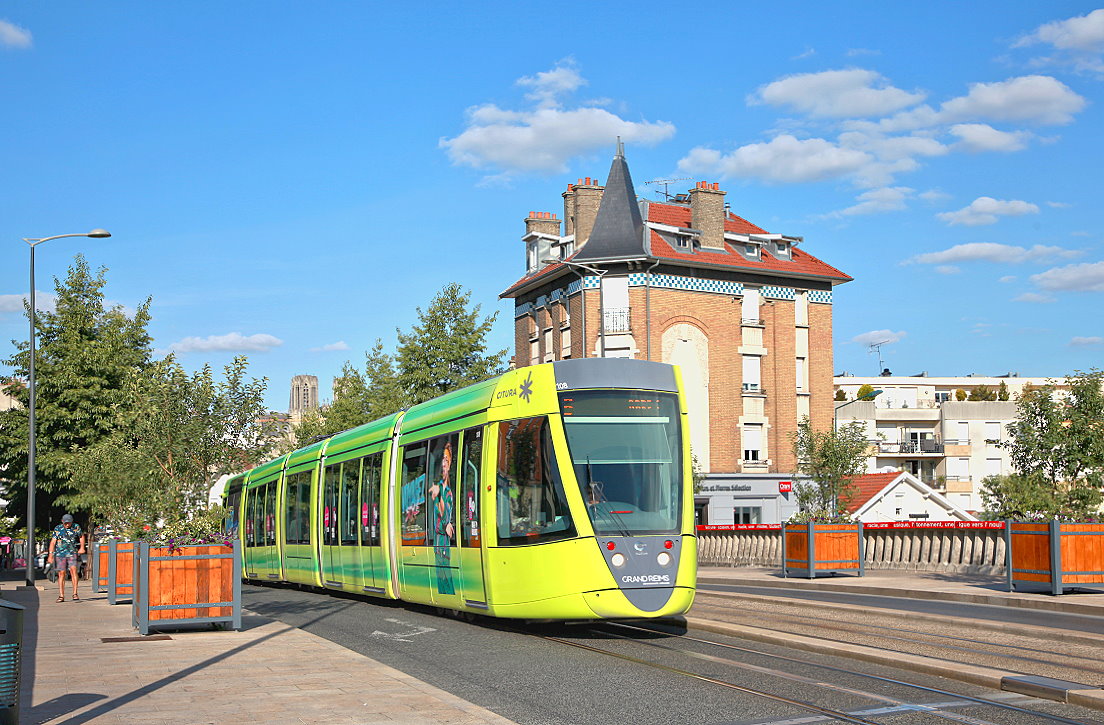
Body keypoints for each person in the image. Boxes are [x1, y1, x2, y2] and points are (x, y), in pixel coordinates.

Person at [428, 441, 455, 595]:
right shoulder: (438, 488)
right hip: (438, 542)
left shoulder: (447, 492)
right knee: (441, 573)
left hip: (443, 543)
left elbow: (445, 514)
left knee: (446, 574)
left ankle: (447, 593)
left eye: (447, 460)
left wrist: (447, 522)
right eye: (442, 460)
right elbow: (442, 516)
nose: (444, 464)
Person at [48, 514, 85, 602]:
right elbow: (53, 542)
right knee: (61, 573)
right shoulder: (58, 528)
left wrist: (82, 547)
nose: (67, 524)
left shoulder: (76, 527)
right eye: (65, 523)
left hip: (72, 553)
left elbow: (81, 536)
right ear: (62, 521)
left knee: (73, 571)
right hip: (60, 554)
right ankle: (61, 595)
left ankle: (75, 593)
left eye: (69, 523)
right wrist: (50, 555)